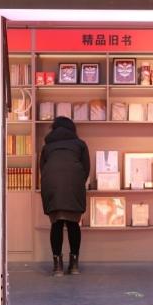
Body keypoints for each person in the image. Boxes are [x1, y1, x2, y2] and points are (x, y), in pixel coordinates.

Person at [40, 116, 90, 276]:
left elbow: (43, 169)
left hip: (51, 185)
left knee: (56, 224)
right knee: (73, 224)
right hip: (74, 185)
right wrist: (76, 182)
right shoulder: (80, 144)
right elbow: (86, 169)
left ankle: (57, 267)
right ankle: (74, 265)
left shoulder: (47, 147)